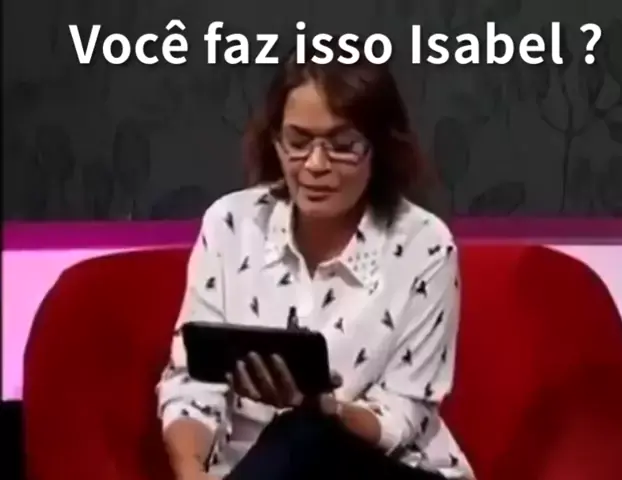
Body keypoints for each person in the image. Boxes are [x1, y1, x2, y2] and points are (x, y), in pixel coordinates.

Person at [156, 40, 473, 480]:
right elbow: (192, 383)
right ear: (276, 141)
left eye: (343, 145)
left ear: (379, 148)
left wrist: (323, 409)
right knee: (291, 439)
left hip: (384, 468)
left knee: (303, 432)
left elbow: (405, 413)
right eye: (298, 142)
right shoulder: (231, 224)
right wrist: (192, 472)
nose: (316, 164)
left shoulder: (426, 245)